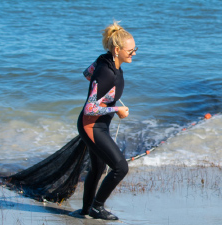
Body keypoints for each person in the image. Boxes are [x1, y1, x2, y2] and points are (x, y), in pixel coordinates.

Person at [76, 20, 137, 220]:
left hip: (100, 124)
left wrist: (107, 94)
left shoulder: (106, 61)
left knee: (99, 167)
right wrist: (117, 108)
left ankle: (86, 210)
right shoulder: (106, 71)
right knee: (121, 167)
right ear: (117, 49)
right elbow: (90, 107)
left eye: (135, 49)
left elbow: (87, 74)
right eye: (130, 50)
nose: (134, 53)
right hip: (91, 125)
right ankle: (97, 207)